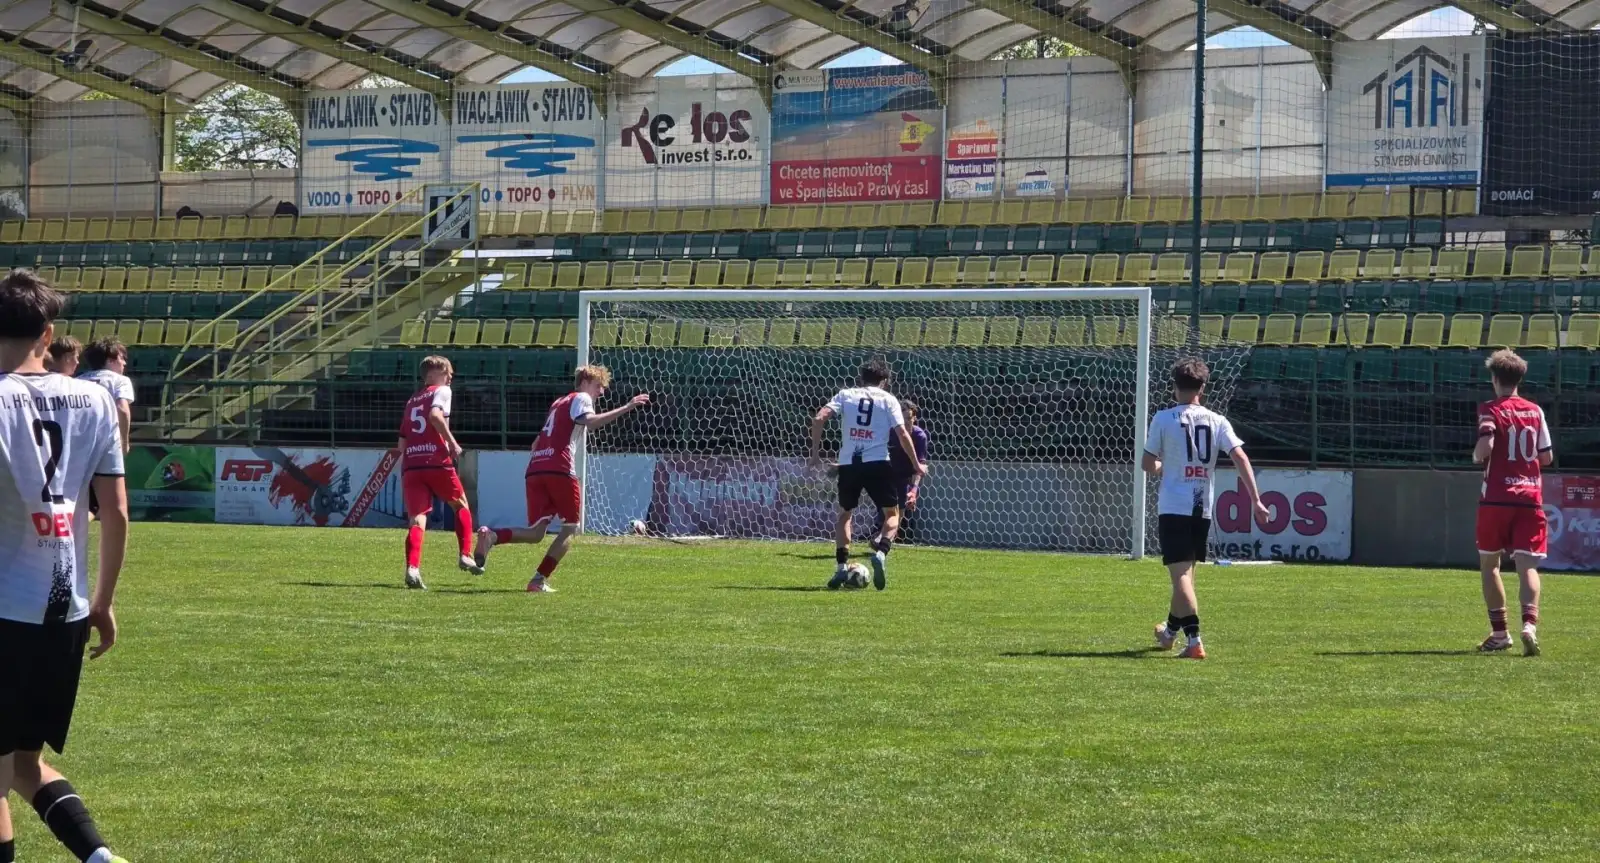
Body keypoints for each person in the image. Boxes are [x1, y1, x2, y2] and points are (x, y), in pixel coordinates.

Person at [0, 269, 132, 863]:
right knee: (23, 765)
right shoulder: (97, 397)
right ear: (48, 334)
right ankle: (102, 860)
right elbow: (118, 513)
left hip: (4, 607)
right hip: (66, 608)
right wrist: (101, 602)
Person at [474, 366, 648, 593]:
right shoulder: (582, 398)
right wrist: (627, 407)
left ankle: (492, 536)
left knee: (537, 533)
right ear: (586, 381)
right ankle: (538, 580)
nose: (601, 393)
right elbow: (591, 422)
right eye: (599, 386)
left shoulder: (558, 403)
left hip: (536, 468)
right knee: (569, 529)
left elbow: (536, 443)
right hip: (560, 468)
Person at [1140, 358, 1270, 660]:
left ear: (1174, 387)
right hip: (1202, 507)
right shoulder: (1217, 420)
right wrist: (1256, 500)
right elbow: (1241, 457)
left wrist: (1164, 467)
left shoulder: (1163, 418)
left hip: (1174, 505)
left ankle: (1194, 640)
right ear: (1203, 387)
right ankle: (1169, 633)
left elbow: (1148, 463)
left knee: (1181, 576)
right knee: (1186, 574)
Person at [809, 359, 925, 591]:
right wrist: (916, 464)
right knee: (892, 513)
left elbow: (819, 418)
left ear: (861, 379)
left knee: (845, 515)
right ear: (885, 381)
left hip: (849, 464)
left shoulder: (845, 395)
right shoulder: (889, 399)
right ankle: (881, 553)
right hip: (878, 463)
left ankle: (841, 568)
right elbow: (902, 433)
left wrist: (814, 454)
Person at [1472, 349, 1553, 656]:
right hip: (1530, 498)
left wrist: (1477, 454)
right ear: (1520, 378)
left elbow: (1487, 445)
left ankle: (1499, 633)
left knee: (1490, 565)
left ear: (1494, 379)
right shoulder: (1535, 411)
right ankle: (1529, 626)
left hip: (1495, 498)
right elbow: (1546, 456)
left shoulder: (1490, 409)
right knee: (1527, 565)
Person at [397, 356, 479, 590]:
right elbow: (435, 416)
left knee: (417, 518)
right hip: (436, 459)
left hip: (412, 463)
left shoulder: (412, 400)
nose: (451, 377)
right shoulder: (441, 391)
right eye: (447, 372)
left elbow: (401, 442)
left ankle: (412, 568)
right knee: (460, 504)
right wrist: (451, 443)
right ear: (433, 374)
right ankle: (465, 554)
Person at [877, 398, 929, 545]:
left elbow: (920, 466)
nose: (906, 422)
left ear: (915, 418)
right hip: (886, 476)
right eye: (902, 418)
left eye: (909, 418)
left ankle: (883, 544)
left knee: (898, 512)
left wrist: (914, 490)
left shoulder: (919, 437)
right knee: (885, 515)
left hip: (903, 478)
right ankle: (881, 539)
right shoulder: (890, 433)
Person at [77, 338, 132, 456]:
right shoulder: (120, 380)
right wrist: (124, 442)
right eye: (121, 358)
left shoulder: (77, 380)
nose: (124, 363)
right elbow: (122, 410)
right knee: (110, 475)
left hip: (79, 441)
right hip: (107, 442)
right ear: (110, 360)